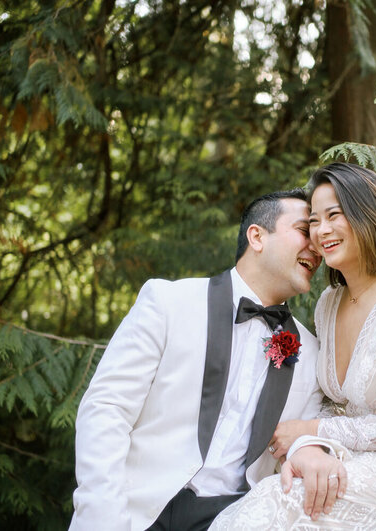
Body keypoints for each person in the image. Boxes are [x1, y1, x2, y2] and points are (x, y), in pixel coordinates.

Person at [210, 163, 376, 530]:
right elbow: (332, 404)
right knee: (292, 487)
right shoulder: (329, 302)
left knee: (288, 498)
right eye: (313, 222)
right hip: (365, 456)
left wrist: (312, 432)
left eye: (333, 215)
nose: (321, 231)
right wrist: (310, 447)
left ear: (367, 214)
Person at [70, 189, 347, 531]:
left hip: (232, 519)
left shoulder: (311, 351)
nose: (316, 247)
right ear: (257, 237)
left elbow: (300, 438)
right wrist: (104, 515)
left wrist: (309, 447)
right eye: (305, 231)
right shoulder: (168, 303)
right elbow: (106, 410)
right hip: (132, 511)